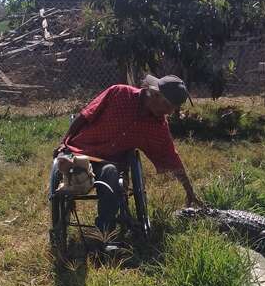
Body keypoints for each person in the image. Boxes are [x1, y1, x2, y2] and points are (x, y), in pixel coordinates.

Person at [54, 74, 201, 233]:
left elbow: (171, 157)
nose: (169, 113)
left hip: (108, 162)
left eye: (172, 109)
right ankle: (63, 215)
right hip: (80, 151)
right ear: (155, 94)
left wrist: (189, 190)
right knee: (73, 172)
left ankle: (104, 232)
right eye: (167, 106)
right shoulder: (119, 93)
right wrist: (64, 142)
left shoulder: (157, 126)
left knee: (110, 175)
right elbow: (84, 116)